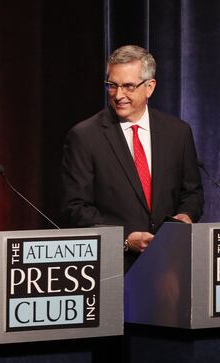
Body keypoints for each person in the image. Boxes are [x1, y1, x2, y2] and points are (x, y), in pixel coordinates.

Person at [61, 45, 204, 271]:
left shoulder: (178, 132)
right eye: (112, 86)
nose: (119, 95)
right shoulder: (85, 136)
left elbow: (192, 192)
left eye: (128, 86)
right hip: (114, 269)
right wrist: (126, 239)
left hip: (171, 265)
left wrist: (186, 215)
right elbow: (75, 207)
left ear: (150, 87)